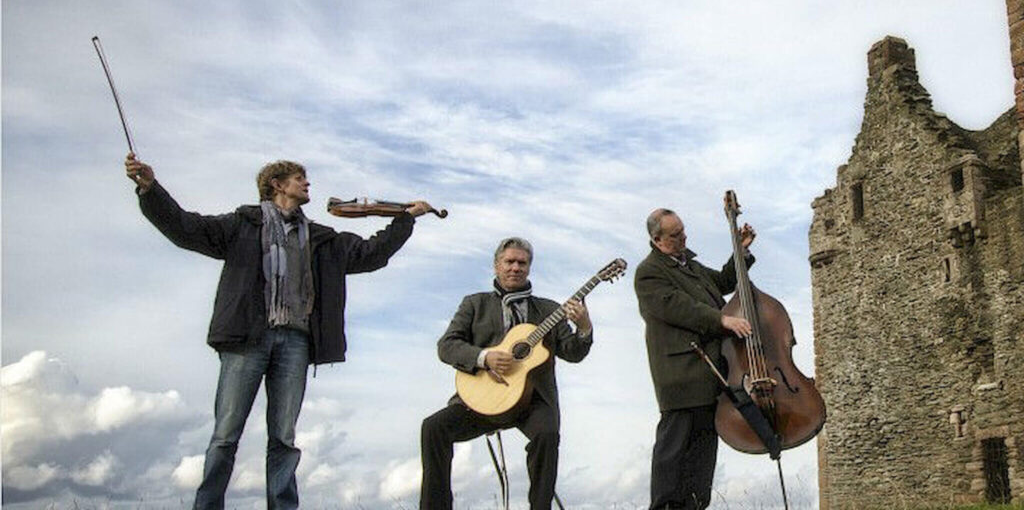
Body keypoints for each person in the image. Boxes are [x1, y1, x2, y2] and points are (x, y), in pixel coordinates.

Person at [125, 153, 433, 510]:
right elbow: (184, 227)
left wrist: (405, 219)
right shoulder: (241, 224)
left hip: (295, 341)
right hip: (247, 338)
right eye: (300, 179)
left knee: (284, 438)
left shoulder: (320, 238)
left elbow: (369, 253)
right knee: (226, 434)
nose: (308, 184)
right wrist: (150, 188)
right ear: (277, 185)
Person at [420, 237, 594, 510]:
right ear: (496, 266)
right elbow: (447, 346)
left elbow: (573, 353)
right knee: (433, 428)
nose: (515, 267)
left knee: (547, 434)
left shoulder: (549, 309)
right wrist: (484, 357)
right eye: (509, 262)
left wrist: (584, 328)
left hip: (532, 401)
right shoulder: (474, 304)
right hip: (482, 399)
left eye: (521, 263)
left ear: (529, 268)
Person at [634, 208, 755, 510]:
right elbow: (678, 307)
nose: (683, 237)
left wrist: (740, 252)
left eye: (683, 231)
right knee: (673, 453)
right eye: (676, 235)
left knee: (702, 454)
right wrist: (722, 321)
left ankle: (695, 505)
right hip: (681, 373)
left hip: (710, 373)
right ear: (657, 239)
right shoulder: (650, 272)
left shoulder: (693, 266)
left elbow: (724, 282)